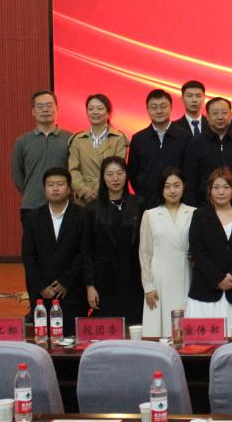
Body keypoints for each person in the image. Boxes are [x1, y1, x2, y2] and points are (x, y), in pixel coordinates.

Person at [21, 168, 85, 335]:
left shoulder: (82, 215)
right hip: (42, 293)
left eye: (60, 184)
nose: (55, 188)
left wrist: (66, 282)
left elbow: (84, 252)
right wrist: (41, 285)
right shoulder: (33, 217)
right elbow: (28, 256)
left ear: (69, 189)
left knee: (73, 339)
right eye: (50, 185)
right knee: (44, 339)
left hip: (72, 291)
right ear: (44, 189)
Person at [82, 156, 144, 325]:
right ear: (103, 177)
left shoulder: (139, 204)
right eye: (109, 174)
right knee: (109, 329)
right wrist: (90, 286)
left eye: (120, 173)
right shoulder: (93, 208)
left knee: (134, 328)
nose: (115, 178)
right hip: (105, 282)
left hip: (134, 280)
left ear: (126, 175)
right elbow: (87, 250)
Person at [186, 168, 232, 326]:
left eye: (226, 187)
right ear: (209, 190)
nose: (221, 192)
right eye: (216, 187)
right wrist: (218, 279)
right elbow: (197, 251)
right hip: (205, 291)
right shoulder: (199, 215)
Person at [138, 168, 195, 337]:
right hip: (159, 278)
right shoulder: (150, 215)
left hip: (186, 274)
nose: (172, 190)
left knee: (184, 328)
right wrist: (148, 286)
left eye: (177, 185)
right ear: (161, 189)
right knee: (159, 330)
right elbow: (145, 253)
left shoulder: (194, 213)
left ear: (184, 186)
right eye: (167, 186)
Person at [12, 90, 72, 226]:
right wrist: (33, 190)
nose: (45, 110)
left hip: (64, 206)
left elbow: (75, 171)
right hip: (32, 205)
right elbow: (17, 174)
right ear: (33, 111)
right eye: (40, 106)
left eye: (49, 105)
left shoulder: (70, 139)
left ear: (57, 109)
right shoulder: (22, 141)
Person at [128, 89, 190, 208]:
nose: (159, 111)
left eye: (163, 106)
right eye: (154, 107)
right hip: (146, 203)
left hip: (178, 202)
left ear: (171, 107)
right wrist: (143, 193)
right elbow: (132, 173)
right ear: (147, 109)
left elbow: (189, 171)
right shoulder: (138, 139)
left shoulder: (185, 137)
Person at [184, 97, 232, 207]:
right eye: (215, 113)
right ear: (207, 117)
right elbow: (190, 181)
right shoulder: (196, 143)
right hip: (204, 207)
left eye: (224, 113)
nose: (220, 117)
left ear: (230, 115)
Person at [68, 94, 129, 206]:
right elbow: (73, 170)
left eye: (99, 108)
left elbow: (118, 169)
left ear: (109, 113)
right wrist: (84, 191)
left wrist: (98, 190)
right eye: (91, 109)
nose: (95, 112)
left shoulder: (118, 138)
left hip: (110, 197)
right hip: (84, 200)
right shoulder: (78, 139)